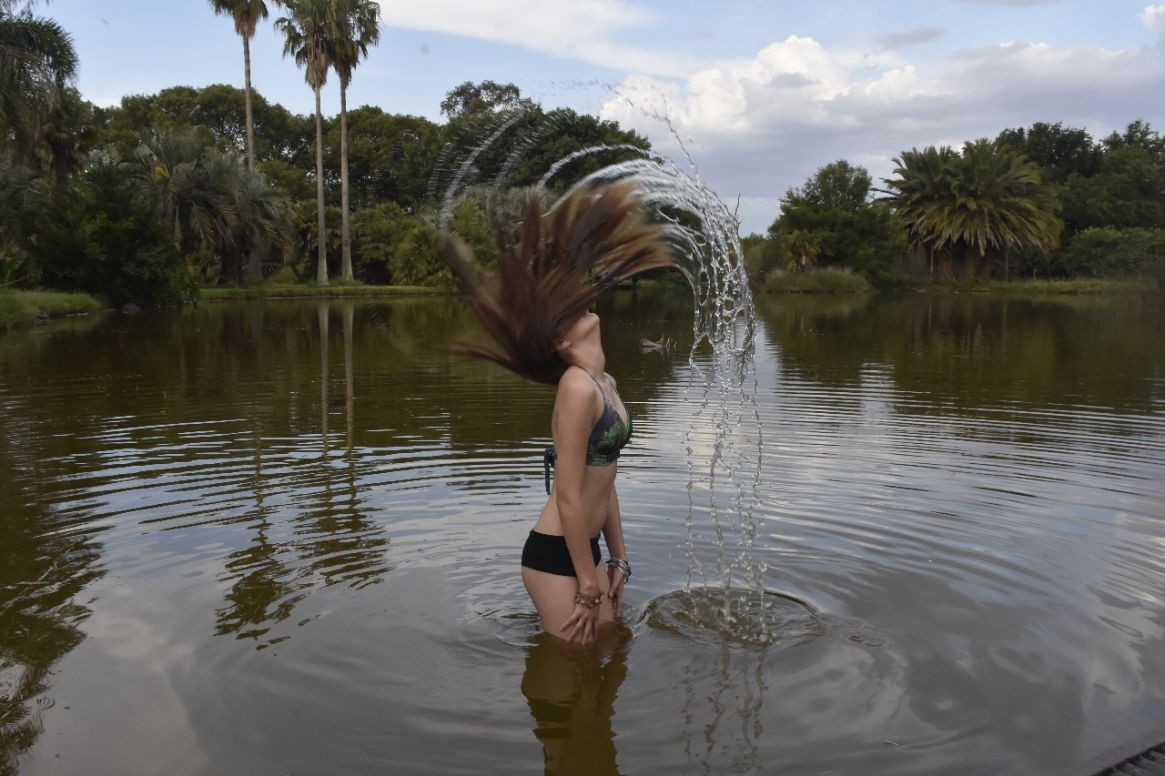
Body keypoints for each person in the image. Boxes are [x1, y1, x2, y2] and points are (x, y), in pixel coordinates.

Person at [444, 182, 673, 645]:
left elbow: (605, 479)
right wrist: (586, 581)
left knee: (607, 661)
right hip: (554, 555)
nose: (583, 306)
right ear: (560, 343)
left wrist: (618, 559)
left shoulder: (604, 384)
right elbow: (568, 496)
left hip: (584, 549)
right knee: (575, 667)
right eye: (568, 312)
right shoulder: (574, 388)